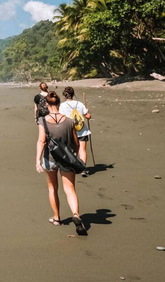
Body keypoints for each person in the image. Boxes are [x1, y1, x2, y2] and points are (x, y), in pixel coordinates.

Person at [35, 91, 87, 235]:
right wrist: (76, 156)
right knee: (70, 189)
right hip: (67, 158)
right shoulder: (69, 121)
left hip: (50, 158)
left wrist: (37, 160)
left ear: (47, 104)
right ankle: (76, 214)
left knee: (53, 188)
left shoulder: (43, 120)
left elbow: (41, 140)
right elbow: (76, 142)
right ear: (59, 103)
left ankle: (57, 218)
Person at [59, 86, 92, 166]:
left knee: (70, 149)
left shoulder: (63, 105)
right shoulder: (80, 104)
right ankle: (83, 167)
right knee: (82, 149)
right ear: (73, 94)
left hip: (69, 130)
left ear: (64, 95)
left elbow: (61, 118)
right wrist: (88, 111)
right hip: (82, 130)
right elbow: (88, 116)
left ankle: (73, 166)